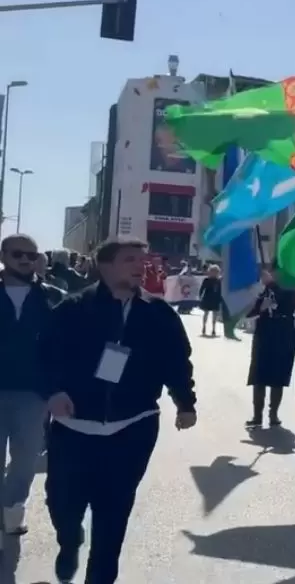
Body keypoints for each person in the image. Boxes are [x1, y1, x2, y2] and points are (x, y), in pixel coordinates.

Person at [41, 237, 197, 584]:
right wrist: (54, 392)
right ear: (105, 265)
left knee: (113, 513)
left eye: (143, 260)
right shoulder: (73, 308)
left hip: (133, 426)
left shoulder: (158, 313)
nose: (140, 266)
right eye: (130, 260)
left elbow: (176, 361)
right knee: (62, 504)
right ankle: (69, 541)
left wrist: (185, 402)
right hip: (74, 427)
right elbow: (46, 356)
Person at [0, 234, 65, 537]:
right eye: (17, 254)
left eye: (31, 255)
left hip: (34, 394)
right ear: (3, 256)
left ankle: (13, 509)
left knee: (26, 458)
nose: (25, 260)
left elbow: (68, 345)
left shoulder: (52, 297)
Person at [245, 264, 295, 428]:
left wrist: (272, 286)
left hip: (283, 334)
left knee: (278, 377)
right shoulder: (263, 290)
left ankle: (273, 413)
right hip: (264, 334)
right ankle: (257, 415)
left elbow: (288, 304)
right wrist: (261, 307)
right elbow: (249, 312)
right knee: (259, 376)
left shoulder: (290, 289)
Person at [198, 265, 223, 337]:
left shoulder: (218, 281)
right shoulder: (206, 280)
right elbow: (202, 289)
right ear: (210, 272)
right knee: (206, 313)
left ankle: (214, 329)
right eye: (213, 271)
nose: (215, 273)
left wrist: (220, 299)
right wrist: (200, 296)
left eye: (216, 272)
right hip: (207, 298)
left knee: (215, 315)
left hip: (215, 299)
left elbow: (220, 290)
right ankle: (204, 326)